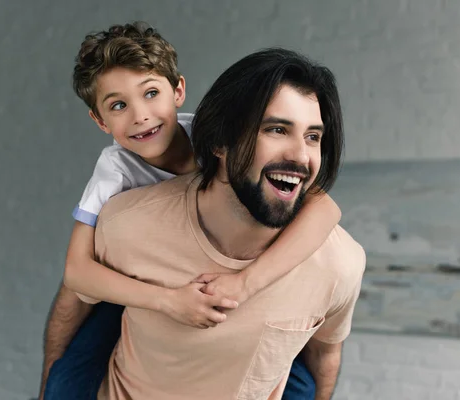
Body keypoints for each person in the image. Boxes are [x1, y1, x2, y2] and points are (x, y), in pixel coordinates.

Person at [40, 22, 343, 400]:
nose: (140, 115)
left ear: (179, 91)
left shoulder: (218, 137)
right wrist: (167, 300)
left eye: (151, 93)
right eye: (118, 105)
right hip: (140, 283)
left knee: (292, 371)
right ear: (100, 121)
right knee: (67, 379)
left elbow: (324, 207)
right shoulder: (113, 172)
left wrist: (246, 282)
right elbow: (77, 272)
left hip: (231, 277)